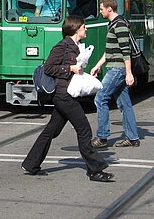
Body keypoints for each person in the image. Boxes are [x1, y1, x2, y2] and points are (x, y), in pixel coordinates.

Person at [22, 15, 114, 182]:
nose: (86, 29)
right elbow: (49, 67)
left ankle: (31, 163)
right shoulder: (62, 46)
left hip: (67, 93)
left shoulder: (76, 46)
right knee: (84, 129)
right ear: (76, 29)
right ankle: (95, 170)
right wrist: (69, 68)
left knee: (52, 130)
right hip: (63, 95)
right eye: (84, 27)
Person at [90, 0, 140, 148]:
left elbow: (126, 51)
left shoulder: (119, 25)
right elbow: (110, 51)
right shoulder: (112, 24)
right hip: (115, 67)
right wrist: (98, 65)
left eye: (101, 9)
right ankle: (132, 138)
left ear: (109, 8)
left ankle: (102, 137)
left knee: (100, 98)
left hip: (118, 69)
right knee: (124, 103)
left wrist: (129, 73)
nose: (100, 12)